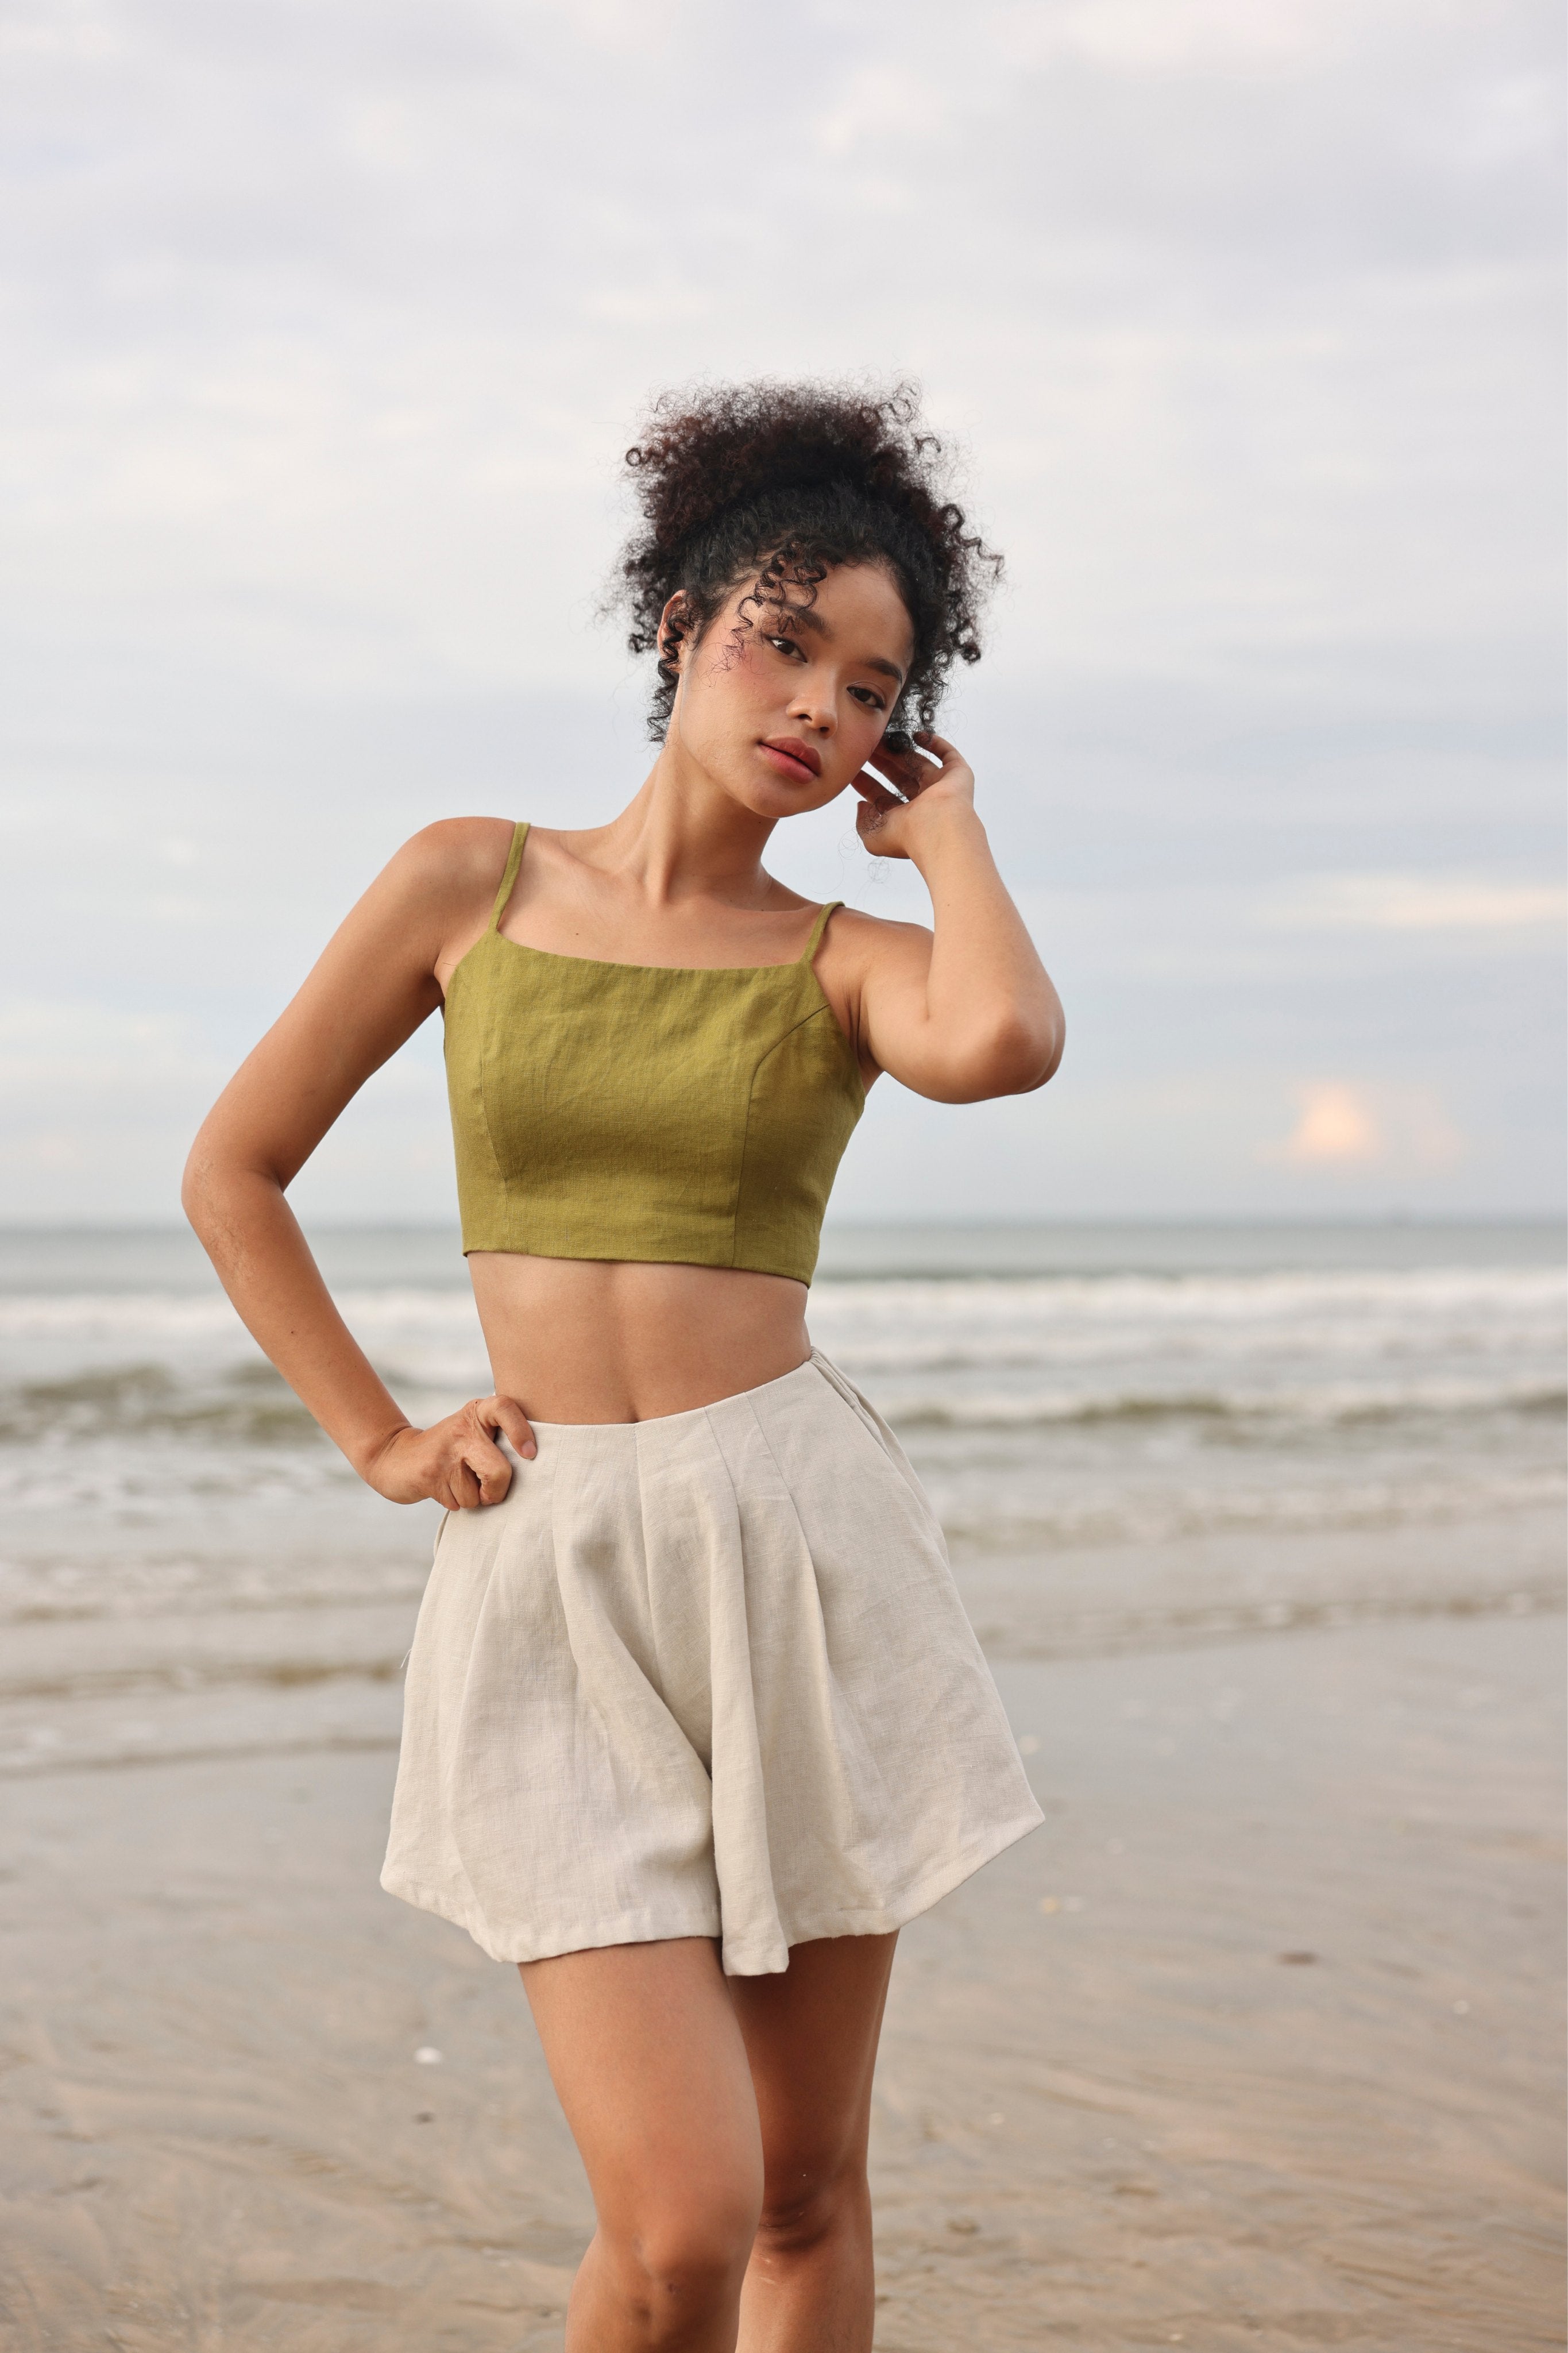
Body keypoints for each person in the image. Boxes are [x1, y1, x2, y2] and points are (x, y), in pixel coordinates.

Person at [183, 380, 1065, 2353]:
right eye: (783, 639)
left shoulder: (841, 956)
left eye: (869, 684)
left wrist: (951, 842)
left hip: (792, 1551)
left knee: (804, 2191)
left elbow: (1002, 1040)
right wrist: (380, 1439)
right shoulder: (467, 884)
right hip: (552, 1561)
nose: (817, 707)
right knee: (681, 2229)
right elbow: (234, 1174)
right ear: (674, 620)